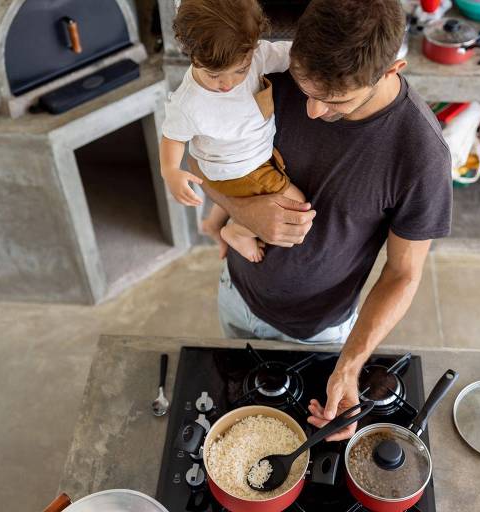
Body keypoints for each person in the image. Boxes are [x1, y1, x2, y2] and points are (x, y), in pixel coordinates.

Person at [192, 0, 453, 440]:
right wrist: (242, 211)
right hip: (237, 296)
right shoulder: (269, 77)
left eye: (335, 101)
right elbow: (198, 162)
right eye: (305, 90)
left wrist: (350, 366)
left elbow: (403, 273)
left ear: (392, 69)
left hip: (324, 332)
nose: (312, 111)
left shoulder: (421, 154)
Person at [160, 0, 304, 263]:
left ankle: (212, 223)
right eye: (214, 75)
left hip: (247, 158)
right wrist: (170, 170)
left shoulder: (256, 56)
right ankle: (237, 232)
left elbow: (289, 54)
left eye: (240, 70)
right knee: (297, 204)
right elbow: (172, 137)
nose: (228, 83)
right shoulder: (188, 102)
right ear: (192, 55)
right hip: (236, 169)